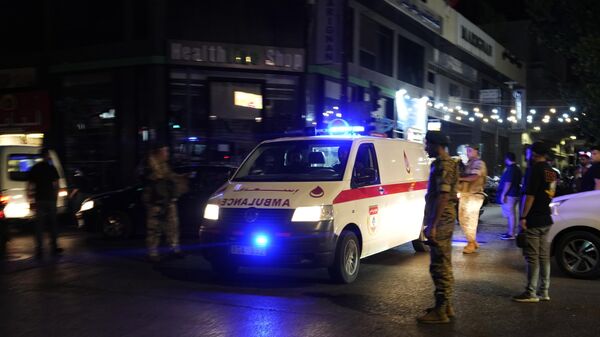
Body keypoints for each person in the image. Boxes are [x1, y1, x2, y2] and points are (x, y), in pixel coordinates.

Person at [417, 131, 459, 324]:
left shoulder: (444, 165)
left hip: (441, 220)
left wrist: (433, 224)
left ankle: (440, 311)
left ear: (436, 145)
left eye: (428, 144)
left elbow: (443, 196)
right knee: (444, 262)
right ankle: (446, 306)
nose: (426, 148)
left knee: (439, 265)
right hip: (444, 218)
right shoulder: (445, 163)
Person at [513, 141, 557, 302]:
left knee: (532, 256)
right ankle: (544, 291)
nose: (528, 154)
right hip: (546, 217)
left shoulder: (534, 170)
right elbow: (551, 192)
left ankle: (530, 292)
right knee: (544, 256)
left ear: (535, 153)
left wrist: (524, 216)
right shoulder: (551, 171)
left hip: (534, 218)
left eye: (529, 151)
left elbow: (529, 196)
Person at [142, 144, 185, 262]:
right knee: (154, 228)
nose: (167, 154)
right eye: (165, 151)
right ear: (159, 152)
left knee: (172, 226)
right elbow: (154, 181)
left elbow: (169, 179)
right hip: (156, 201)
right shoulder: (151, 165)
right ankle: (152, 253)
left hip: (167, 200)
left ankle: (173, 249)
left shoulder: (164, 165)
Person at [27, 148, 61, 258]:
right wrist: (55, 198)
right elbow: (56, 184)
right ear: (47, 155)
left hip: (39, 199)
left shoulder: (35, 168)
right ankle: (54, 246)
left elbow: (30, 185)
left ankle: (39, 249)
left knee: (39, 225)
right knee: (53, 223)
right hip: (50, 199)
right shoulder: (51, 168)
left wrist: (31, 200)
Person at [457, 145, 487, 253]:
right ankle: (472, 242)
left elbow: (475, 177)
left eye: (470, 151)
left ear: (476, 152)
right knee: (463, 219)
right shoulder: (470, 163)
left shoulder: (478, 163)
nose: (467, 153)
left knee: (469, 220)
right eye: (467, 151)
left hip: (474, 195)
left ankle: (471, 243)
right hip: (467, 194)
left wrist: (460, 178)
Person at [498, 152, 522, 240]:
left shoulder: (510, 169)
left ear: (507, 159)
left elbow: (508, 183)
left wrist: (503, 194)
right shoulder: (517, 169)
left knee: (510, 214)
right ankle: (510, 232)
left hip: (510, 194)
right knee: (511, 214)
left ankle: (511, 233)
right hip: (515, 193)